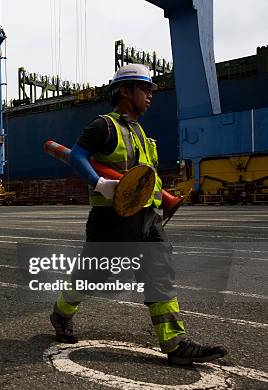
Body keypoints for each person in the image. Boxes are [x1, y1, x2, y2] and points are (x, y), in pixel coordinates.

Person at [50, 63, 228, 365]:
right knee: (94, 277)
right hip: (111, 220)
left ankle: (174, 343)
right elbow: (79, 156)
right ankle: (61, 313)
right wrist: (99, 182)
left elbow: (145, 180)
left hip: (147, 218)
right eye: (144, 89)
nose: (149, 96)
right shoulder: (103, 126)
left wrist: (164, 200)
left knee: (158, 272)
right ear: (125, 91)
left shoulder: (141, 133)